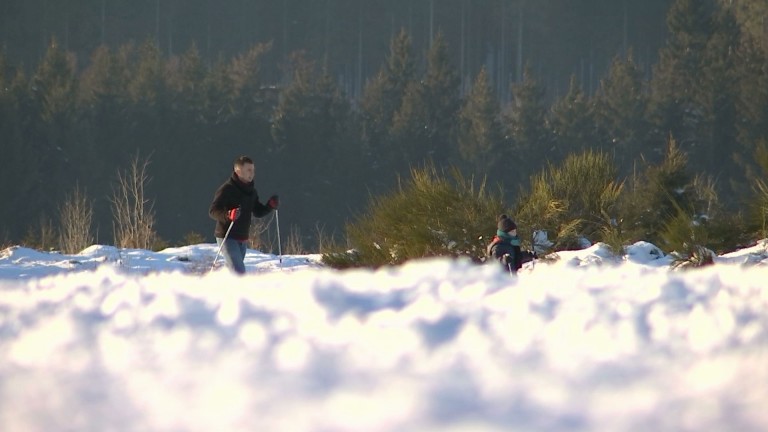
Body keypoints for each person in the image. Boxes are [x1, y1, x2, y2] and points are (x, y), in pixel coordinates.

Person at [209, 156, 278, 274]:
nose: (252, 173)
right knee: (239, 272)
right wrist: (228, 215)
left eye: (253, 170)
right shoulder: (227, 189)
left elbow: (257, 211)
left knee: (235, 270)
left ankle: (223, 289)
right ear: (238, 171)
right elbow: (213, 211)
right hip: (227, 236)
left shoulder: (251, 191)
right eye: (249, 170)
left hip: (242, 238)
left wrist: (269, 206)